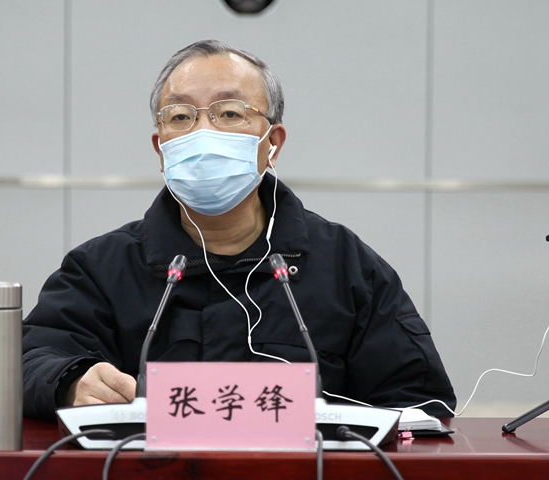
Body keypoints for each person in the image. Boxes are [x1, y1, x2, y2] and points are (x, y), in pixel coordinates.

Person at [22, 39, 456, 422]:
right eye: (180, 116)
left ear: (273, 143)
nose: (203, 132)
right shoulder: (101, 268)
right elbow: (29, 359)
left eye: (229, 113)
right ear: (161, 148)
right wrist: (69, 381)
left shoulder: (345, 265)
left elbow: (418, 401)